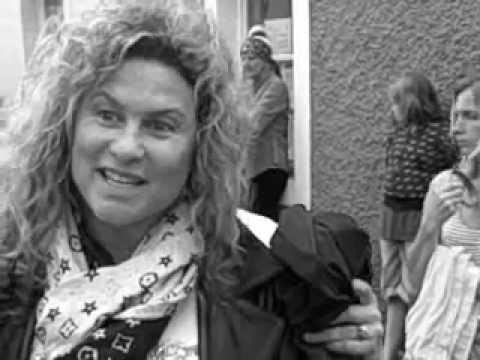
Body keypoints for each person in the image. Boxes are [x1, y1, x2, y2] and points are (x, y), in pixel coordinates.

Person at [0, 1, 383, 359]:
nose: (128, 147)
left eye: (160, 125)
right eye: (107, 115)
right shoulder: (9, 271)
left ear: (200, 147)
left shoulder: (274, 285)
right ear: (66, 125)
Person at [381, 72, 456, 360]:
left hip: (417, 216)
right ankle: (389, 352)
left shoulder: (438, 134)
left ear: (413, 103)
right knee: (391, 288)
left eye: (397, 103)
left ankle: (415, 347)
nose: (393, 109)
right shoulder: (396, 132)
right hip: (391, 214)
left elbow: (451, 172)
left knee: (417, 286)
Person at [403, 78, 480, 359]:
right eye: (455, 116)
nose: (457, 127)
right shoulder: (443, 186)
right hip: (444, 346)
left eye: (471, 117)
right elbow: (412, 285)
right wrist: (429, 225)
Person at [240, 25, 290, 221]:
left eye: (251, 59)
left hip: (270, 168)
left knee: (264, 226)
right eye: (243, 59)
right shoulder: (251, 88)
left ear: (265, 60)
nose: (246, 64)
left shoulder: (276, 87)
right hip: (252, 169)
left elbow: (252, 126)